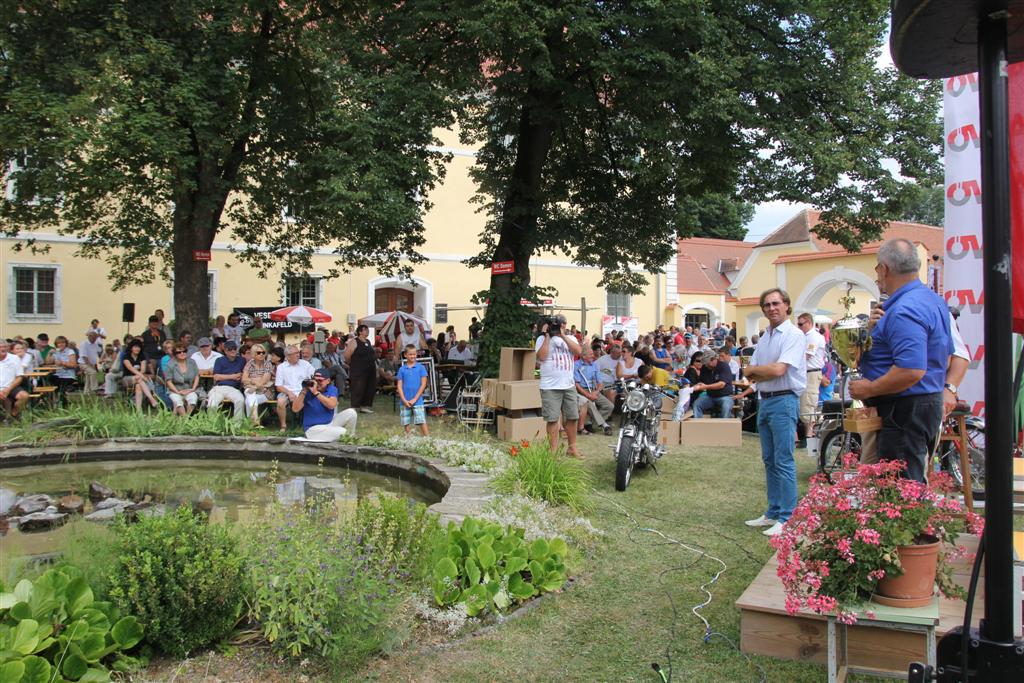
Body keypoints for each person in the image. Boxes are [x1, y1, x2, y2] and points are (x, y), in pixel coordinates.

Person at [850, 238, 952, 483]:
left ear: (884, 269)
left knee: (900, 490)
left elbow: (911, 370)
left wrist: (870, 388)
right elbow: (945, 355)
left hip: (904, 409)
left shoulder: (905, 308)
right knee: (905, 484)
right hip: (917, 404)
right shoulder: (931, 300)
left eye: (877, 269)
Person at [742, 288, 806, 537]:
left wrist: (759, 370)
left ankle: (787, 516)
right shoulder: (766, 336)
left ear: (787, 305)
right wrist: (759, 370)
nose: (771, 308)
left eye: (776, 303)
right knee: (769, 459)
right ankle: (773, 511)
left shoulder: (793, 334)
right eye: (767, 305)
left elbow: (779, 370)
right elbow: (748, 370)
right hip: (765, 400)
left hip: (784, 399)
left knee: (783, 460)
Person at [536, 314, 583, 457]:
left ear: (565, 325)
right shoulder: (541, 339)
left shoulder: (571, 338)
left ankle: (572, 447)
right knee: (552, 418)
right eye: (557, 324)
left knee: (573, 416)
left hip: (568, 384)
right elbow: (541, 357)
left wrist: (563, 336)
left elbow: (578, 352)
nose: (560, 326)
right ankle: (553, 451)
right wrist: (547, 335)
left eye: (562, 323)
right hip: (550, 386)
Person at [291, 369, 358, 442]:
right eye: (315, 380)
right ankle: (347, 437)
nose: (317, 383)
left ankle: (349, 439)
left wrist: (316, 393)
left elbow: (331, 405)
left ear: (328, 381)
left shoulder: (332, 389)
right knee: (344, 432)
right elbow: (295, 409)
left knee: (351, 412)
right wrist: (304, 391)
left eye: (320, 381)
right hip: (313, 429)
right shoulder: (307, 391)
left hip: (329, 423)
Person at [797, 312, 827, 443]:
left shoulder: (813, 336)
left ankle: (809, 437)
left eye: (801, 324)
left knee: (808, 403)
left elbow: (807, 355)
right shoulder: (805, 336)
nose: (799, 327)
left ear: (809, 323)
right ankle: (807, 436)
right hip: (805, 373)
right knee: (804, 403)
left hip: (811, 372)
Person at [275, 344, 315, 432]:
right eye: (295, 353)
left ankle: (309, 423)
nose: (298, 355)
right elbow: (278, 386)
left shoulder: (305, 364)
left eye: (298, 352)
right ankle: (283, 426)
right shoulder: (281, 367)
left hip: (304, 391)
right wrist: (289, 393)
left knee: (313, 399)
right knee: (280, 402)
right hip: (287, 392)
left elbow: (314, 377)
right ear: (288, 356)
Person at [574, 347, 613, 435]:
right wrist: (588, 395)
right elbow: (577, 385)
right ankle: (604, 425)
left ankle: (589, 423)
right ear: (583, 356)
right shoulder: (576, 365)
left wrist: (596, 392)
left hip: (593, 390)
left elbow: (600, 382)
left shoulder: (594, 365)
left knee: (609, 406)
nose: (593, 355)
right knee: (590, 404)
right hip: (581, 391)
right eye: (591, 354)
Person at [207, 340, 246, 420]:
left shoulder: (242, 360)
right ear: (225, 351)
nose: (233, 350)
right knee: (212, 404)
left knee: (240, 401)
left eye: (234, 348)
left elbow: (245, 372)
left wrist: (241, 375)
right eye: (230, 349)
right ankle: (211, 424)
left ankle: (237, 425)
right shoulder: (219, 360)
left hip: (234, 389)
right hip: (219, 388)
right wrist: (232, 376)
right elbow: (216, 377)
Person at [396, 344, 430, 436]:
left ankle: (428, 440)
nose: (413, 356)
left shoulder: (421, 368)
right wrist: (403, 399)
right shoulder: (402, 369)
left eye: (414, 354)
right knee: (406, 421)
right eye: (410, 354)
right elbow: (399, 385)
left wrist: (415, 399)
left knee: (421, 420)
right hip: (405, 400)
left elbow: (423, 384)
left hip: (417, 400)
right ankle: (409, 439)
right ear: (405, 355)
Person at [691, 349, 735, 418]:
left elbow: (721, 384)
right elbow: (701, 381)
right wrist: (696, 386)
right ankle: (698, 425)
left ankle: (725, 427)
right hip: (710, 396)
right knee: (696, 404)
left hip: (725, 396)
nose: (705, 365)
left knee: (726, 406)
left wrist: (706, 387)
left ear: (713, 359)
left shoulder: (723, 366)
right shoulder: (705, 368)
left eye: (707, 363)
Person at [345, 324, 377, 414]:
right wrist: (352, 364)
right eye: (365, 330)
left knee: (369, 387)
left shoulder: (368, 341)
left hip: (370, 369)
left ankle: (365, 406)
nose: (367, 331)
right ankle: (354, 406)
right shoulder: (354, 342)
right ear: (360, 331)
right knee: (358, 387)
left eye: (368, 330)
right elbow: (347, 355)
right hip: (358, 369)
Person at [242, 344, 275, 427]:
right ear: (253, 354)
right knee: (251, 396)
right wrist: (254, 381)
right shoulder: (249, 364)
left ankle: (251, 424)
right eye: (259, 353)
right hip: (251, 389)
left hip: (265, 392)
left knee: (248, 400)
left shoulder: (268, 364)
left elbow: (264, 381)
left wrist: (254, 385)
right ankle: (255, 422)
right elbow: (244, 379)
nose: (261, 354)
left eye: (263, 352)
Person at [122, 339, 159, 410]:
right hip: (127, 378)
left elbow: (143, 370)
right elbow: (130, 368)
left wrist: (140, 375)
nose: (137, 349)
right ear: (131, 348)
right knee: (139, 379)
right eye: (135, 347)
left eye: (139, 347)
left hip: (139, 378)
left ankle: (138, 411)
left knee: (138, 386)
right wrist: (142, 376)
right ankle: (151, 399)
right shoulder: (126, 356)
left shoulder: (142, 357)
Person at [165, 344, 200, 416]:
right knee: (178, 402)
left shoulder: (192, 362)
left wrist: (193, 389)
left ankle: (186, 418)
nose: (182, 353)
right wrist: (177, 392)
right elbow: (168, 381)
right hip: (175, 390)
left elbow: (197, 376)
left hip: (189, 389)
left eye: (184, 351)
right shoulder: (170, 364)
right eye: (179, 352)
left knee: (193, 399)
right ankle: (184, 419)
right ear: (175, 354)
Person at [0, 340, 29, 420]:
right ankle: (6, 417)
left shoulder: (14, 358)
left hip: (12, 386)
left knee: (24, 396)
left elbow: (19, 377)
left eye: (5, 347)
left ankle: (13, 415)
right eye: (1, 347)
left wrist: (8, 389)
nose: (3, 349)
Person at [49, 336, 78, 407]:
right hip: (58, 374)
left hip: (68, 375)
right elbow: (48, 362)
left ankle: (63, 405)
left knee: (61, 387)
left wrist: (63, 363)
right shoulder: (56, 352)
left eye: (63, 343)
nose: (61, 344)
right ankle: (52, 402)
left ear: (66, 343)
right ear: (56, 344)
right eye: (59, 343)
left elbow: (74, 365)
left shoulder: (70, 351)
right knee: (48, 379)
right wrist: (49, 354)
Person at [78, 329, 104, 395]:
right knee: (93, 372)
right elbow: (84, 357)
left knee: (88, 377)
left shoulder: (95, 344)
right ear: (89, 337)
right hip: (84, 363)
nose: (95, 339)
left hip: (93, 363)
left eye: (96, 338)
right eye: (94, 338)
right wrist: (91, 365)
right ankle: (95, 389)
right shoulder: (84, 344)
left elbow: (100, 351)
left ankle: (86, 392)